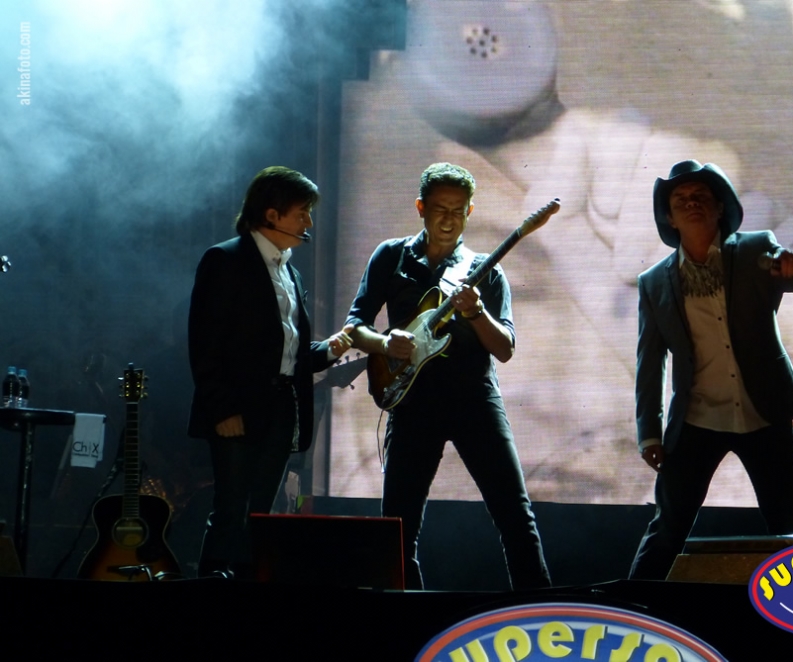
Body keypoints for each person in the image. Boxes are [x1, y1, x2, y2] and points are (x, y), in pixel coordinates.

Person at [345, 162, 551, 590]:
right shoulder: (391, 256)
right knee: (398, 528)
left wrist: (476, 312)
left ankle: (540, 611)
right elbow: (355, 326)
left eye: (458, 211)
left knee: (516, 517)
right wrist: (384, 343)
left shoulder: (485, 270)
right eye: (440, 208)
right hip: (412, 404)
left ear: (470, 212)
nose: (449, 219)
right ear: (420, 207)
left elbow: (505, 348)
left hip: (475, 401)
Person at [630, 160, 793, 580]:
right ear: (669, 218)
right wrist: (649, 432)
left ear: (720, 207)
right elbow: (649, 361)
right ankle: (631, 607)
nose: (692, 203)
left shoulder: (755, 249)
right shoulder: (654, 282)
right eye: (680, 199)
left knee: (788, 526)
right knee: (668, 529)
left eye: (701, 196)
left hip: (763, 411)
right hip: (697, 418)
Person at [188, 166, 354, 578]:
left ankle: (247, 589)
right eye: (302, 213)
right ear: (272, 214)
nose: (308, 222)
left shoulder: (289, 271)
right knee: (231, 509)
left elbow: (286, 351)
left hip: (281, 407)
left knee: (260, 513)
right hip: (238, 409)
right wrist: (222, 408)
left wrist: (329, 349)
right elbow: (204, 341)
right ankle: (209, 588)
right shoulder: (225, 259)